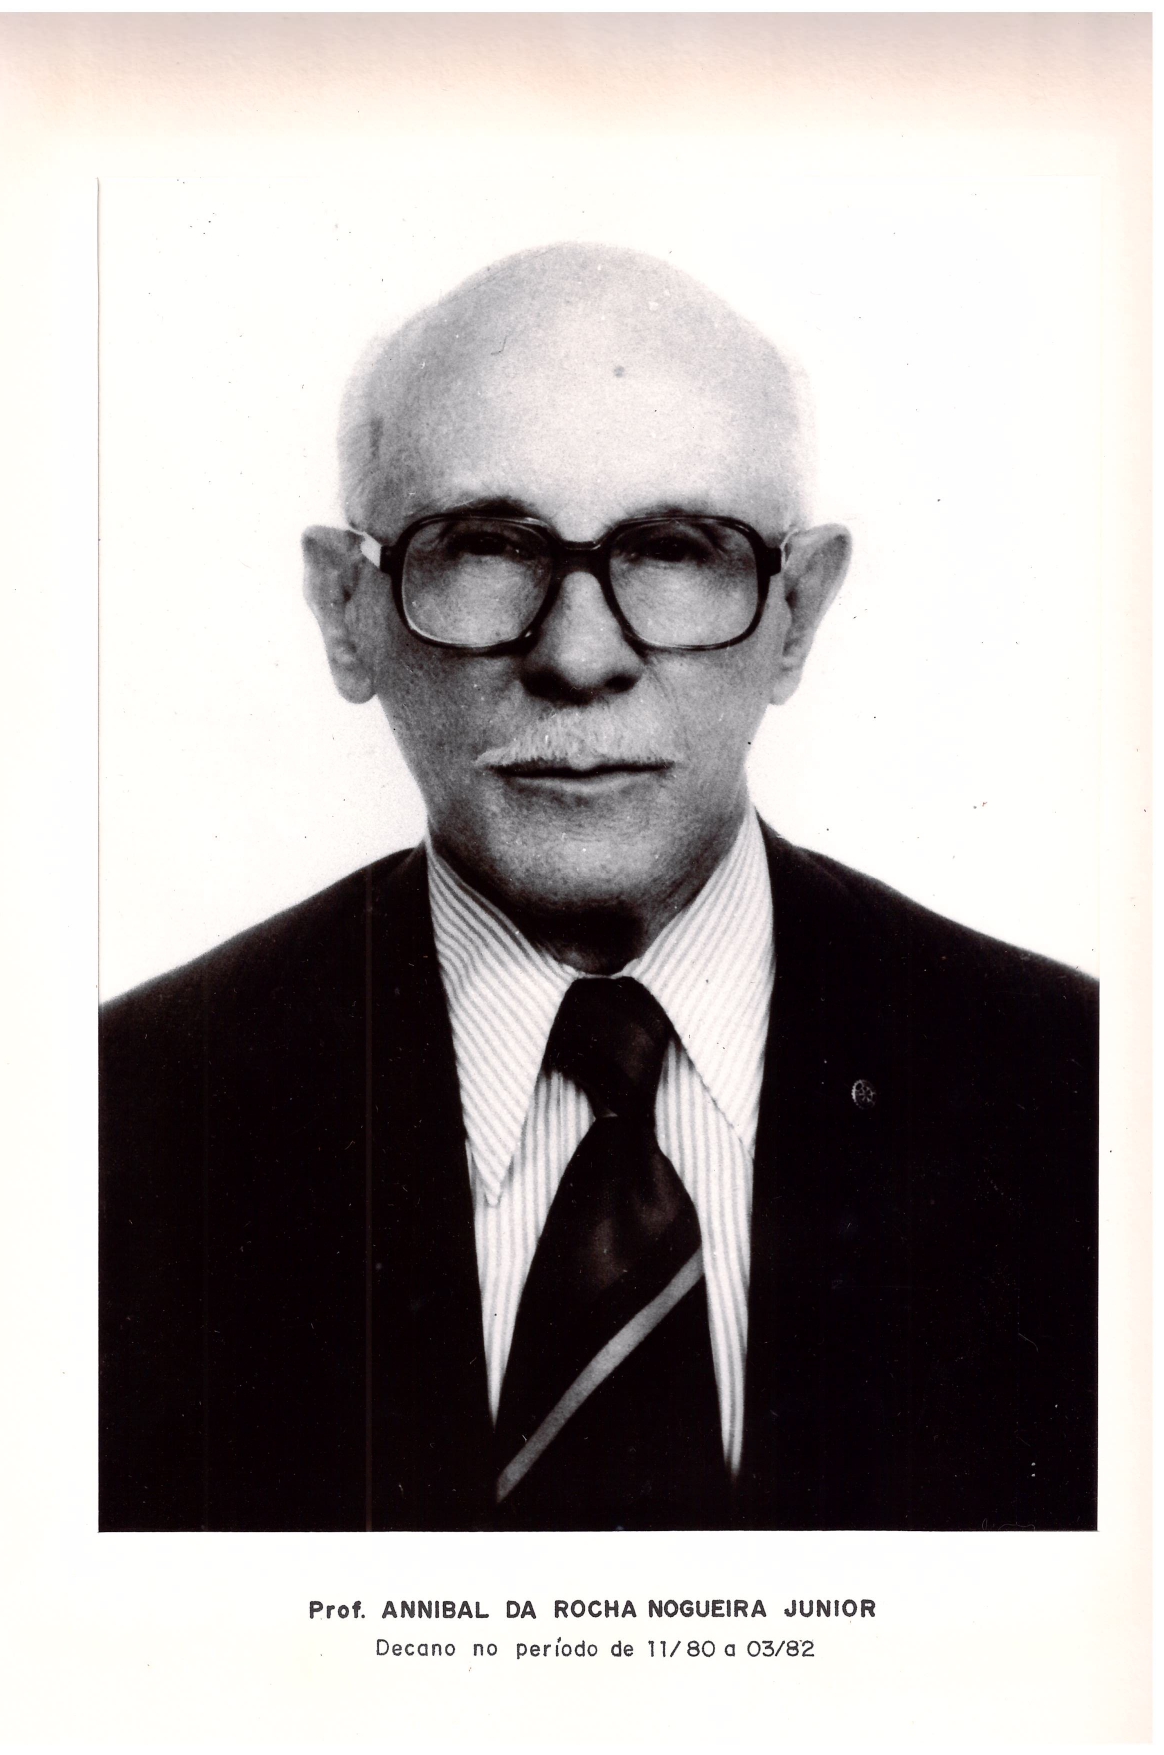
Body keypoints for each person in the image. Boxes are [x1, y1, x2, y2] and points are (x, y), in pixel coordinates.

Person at [100, 243, 1097, 1533]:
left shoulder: (1086, 1093)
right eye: (483, 546)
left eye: (678, 549)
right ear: (347, 613)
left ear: (797, 615)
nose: (579, 656)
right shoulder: (113, 1123)